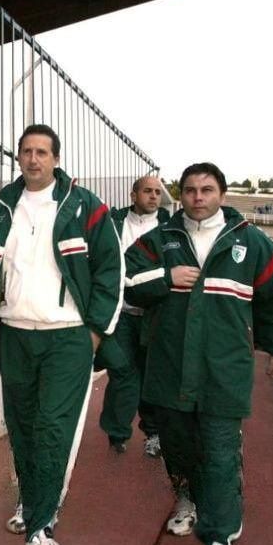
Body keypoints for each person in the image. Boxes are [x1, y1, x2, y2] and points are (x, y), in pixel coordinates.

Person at [0, 124, 123, 545]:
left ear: (56, 159)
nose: (33, 159)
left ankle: (41, 532)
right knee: (21, 425)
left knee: (52, 427)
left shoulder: (86, 207)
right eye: (26, 152)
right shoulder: (4, 207)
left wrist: (95, 331)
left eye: (42, 152)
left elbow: (110, 270)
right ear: (19, 157)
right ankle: (32, 498)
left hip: (68, 338)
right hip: (16, 335)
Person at [124, 162, 273, 545]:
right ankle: (187, 497)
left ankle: (219, 543)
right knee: (178, 445)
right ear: (180, 195)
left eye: (206, 190)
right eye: (190, 190)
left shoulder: (250, 242)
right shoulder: (160, 239)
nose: (198, 197)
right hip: (169, 366)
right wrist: (166, 278)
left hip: (225, 368)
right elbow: (124, 281)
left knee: (220, 450)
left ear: (222, 194)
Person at [99, 175, 170, 456]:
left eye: (157, 192)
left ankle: (153, 433)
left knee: (153, 375)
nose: (153, 196)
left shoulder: (170, 228)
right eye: (147, 191)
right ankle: (117, 432)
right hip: (120, 315)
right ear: (133, 195)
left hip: (155, 314)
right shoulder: (113, 223)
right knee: (123, 371)